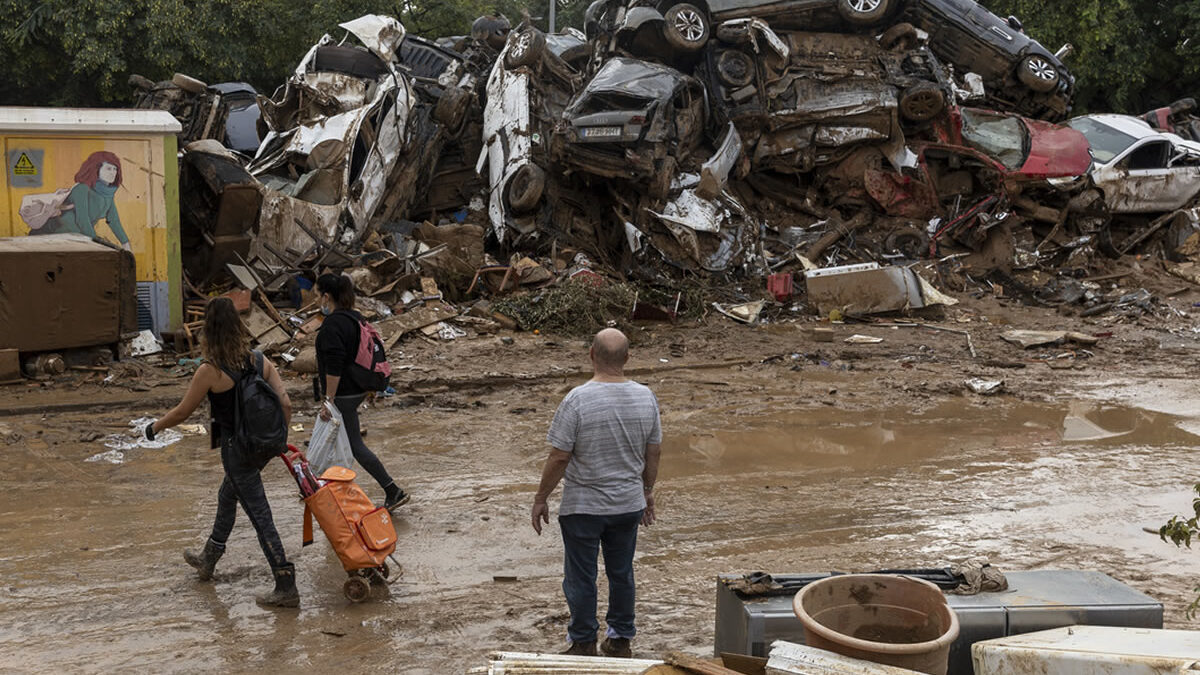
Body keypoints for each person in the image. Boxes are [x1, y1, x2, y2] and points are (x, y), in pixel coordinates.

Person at [143, 296, 299, 607]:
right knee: (228, 495)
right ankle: (209, 558)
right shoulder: (258, 360)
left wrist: (154, 427)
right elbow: (286, 403)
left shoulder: (210, 371)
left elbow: (183, 412)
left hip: (235, 448)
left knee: (259, 513)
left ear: (209, 331)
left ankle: (285, 583)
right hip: (263, 445)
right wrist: (276, 440)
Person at [531, 328, 662, 658]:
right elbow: (654, 451)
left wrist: (540, 498)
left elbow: (560, 456)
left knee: (581, 577)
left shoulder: (576, 400)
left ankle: (584, 641)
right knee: (621, 573)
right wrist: (647, 491)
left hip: (583, 508)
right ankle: (619, 639)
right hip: (628, 504)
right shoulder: (646, 397)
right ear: (627, 359)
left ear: (591, 354)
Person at [315, 273, 409, 510]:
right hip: (357, 388)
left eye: (318, 295)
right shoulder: (356, 318)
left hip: (343, 393)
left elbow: (334, 367)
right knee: (339, 443)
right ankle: (331, 496)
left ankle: (391, 490)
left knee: (352, 445)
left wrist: (328, 401)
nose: (318, 300)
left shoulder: (332, 325)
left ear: (327, 296)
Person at [38, 151, 132, 251]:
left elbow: (114, 221)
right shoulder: (82, 188)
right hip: (62, 235)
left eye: (115, 169)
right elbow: (82, 220)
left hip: (82, 237)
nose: (113, 172)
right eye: (108, 168)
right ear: (96, 169)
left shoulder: (107, 195)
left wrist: (125, 243)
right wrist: (96, 242)